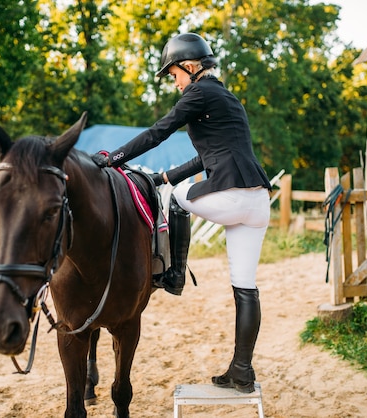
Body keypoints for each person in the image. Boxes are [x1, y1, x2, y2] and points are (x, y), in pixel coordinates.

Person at [91, 32, 271, 393]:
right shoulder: (225, 97)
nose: (175, 83)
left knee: (177, 198)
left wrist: (112, 158)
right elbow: (206, 157)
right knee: (245, 287)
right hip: (257, 202)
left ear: (189, 67)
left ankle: (173, 274)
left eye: (174, 75)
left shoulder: (199, 92)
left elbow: (158, 133)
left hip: (230, 194)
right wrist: (162, 176)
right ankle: (241, 370)